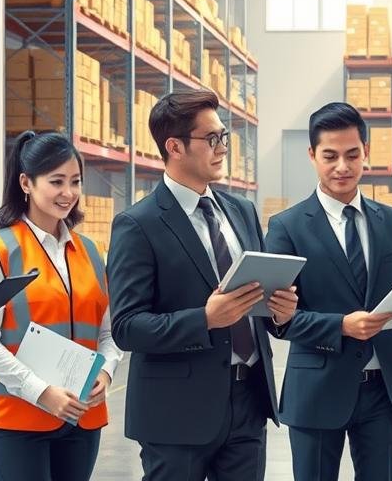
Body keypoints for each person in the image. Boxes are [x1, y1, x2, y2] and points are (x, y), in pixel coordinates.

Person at [108, 89, 298, 481]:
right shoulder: (137, 224)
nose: (223, 147)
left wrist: (279, 313)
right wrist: (204, 319)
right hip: (176, 414)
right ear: (174, 146)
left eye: (223, 136)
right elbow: (127, 327)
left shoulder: (241, 211)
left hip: (248, 402)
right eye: (211, 139)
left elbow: (257, 304)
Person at [264, 102, 392, 481]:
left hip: (385, 392)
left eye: (351, 154)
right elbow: (278, 319)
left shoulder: (391, 221)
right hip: (317, 390)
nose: (341, 166)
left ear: (366, 154)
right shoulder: (287, 227)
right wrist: (340, 326)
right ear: (312, 155)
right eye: (330, 156)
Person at [0, 131, 121, 480]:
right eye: (56, 181)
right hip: (18, 418)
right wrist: (42, 393)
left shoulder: (92, 253)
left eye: (75, 182)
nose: (68, 193)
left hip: (81, 418)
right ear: (26, 182)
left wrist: (106, 372)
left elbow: (109, 332)